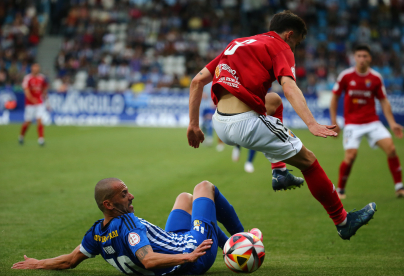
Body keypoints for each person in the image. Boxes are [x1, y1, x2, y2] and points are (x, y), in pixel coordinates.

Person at [186, 10, 376, 240]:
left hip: (220, 121)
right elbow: (289, 86)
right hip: (245, 124)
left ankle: (280, 172)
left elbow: (197, 81)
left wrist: (193, 125)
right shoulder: (281, 47)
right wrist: (312, 123)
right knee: (309, 162)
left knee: (273, 101)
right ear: (289, 35)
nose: (295, 48)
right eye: (297, 42)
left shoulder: (238, 43)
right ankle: (343, 221)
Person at [12, 178, 259, 275]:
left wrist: (39, 263)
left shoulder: (97, 233)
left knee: (185, 198)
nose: (131, 197)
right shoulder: (129, 223)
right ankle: (242, 239)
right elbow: (149, 259)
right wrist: (190, 255)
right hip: (193, 253)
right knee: (204, 187)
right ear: (108, 203)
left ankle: (230, 244)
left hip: (173, 243)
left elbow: (70, 260)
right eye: (124, 194)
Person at [330, 45, 404, 199]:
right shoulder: (346, 76)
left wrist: (392, 123)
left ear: (370, 58)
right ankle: (340, 190)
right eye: (359, 56)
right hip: (353, 123)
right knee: (351, 156)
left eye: (365, 56)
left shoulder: (375, 77)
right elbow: (334, 98)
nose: (362, 59)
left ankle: (399, 188)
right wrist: (334, 122)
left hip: (372, 122)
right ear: (354, 57)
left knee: (391, 149)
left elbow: (384, 100)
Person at [19, 63, 48, 146]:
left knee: (40, 120)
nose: (36, 69)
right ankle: (21, 136)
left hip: (39, 103)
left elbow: (44, 89)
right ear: (32, 69)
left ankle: (41, 139)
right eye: (35, 68)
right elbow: (26, 91)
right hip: (30, 104)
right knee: (28, 122)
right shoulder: (27, 78)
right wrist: (32, 99)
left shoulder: (42, 78)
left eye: (37, 67)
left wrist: (46, 100)